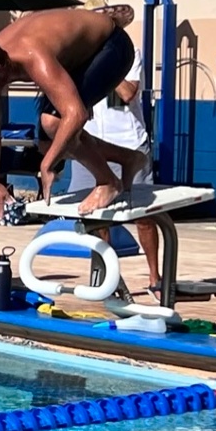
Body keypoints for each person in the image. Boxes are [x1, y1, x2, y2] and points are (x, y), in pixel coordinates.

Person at [0, 6, 148, 218]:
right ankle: (128, 158)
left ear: (0, 71)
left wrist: (47, 164)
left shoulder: (33, 56)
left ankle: (109, 182)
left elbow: (76, 114)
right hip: (76, 56)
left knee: (54, 125)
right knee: (52, 138)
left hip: (112, 47)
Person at [57, 48, 167, 296]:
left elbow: (128, 93)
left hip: (129, 143)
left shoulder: (128, 54)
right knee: (94, 217)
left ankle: (155, 278)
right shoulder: (78, 58)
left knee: (144, 216)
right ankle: (108, 278)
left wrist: (106, 66)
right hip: (93, 146)